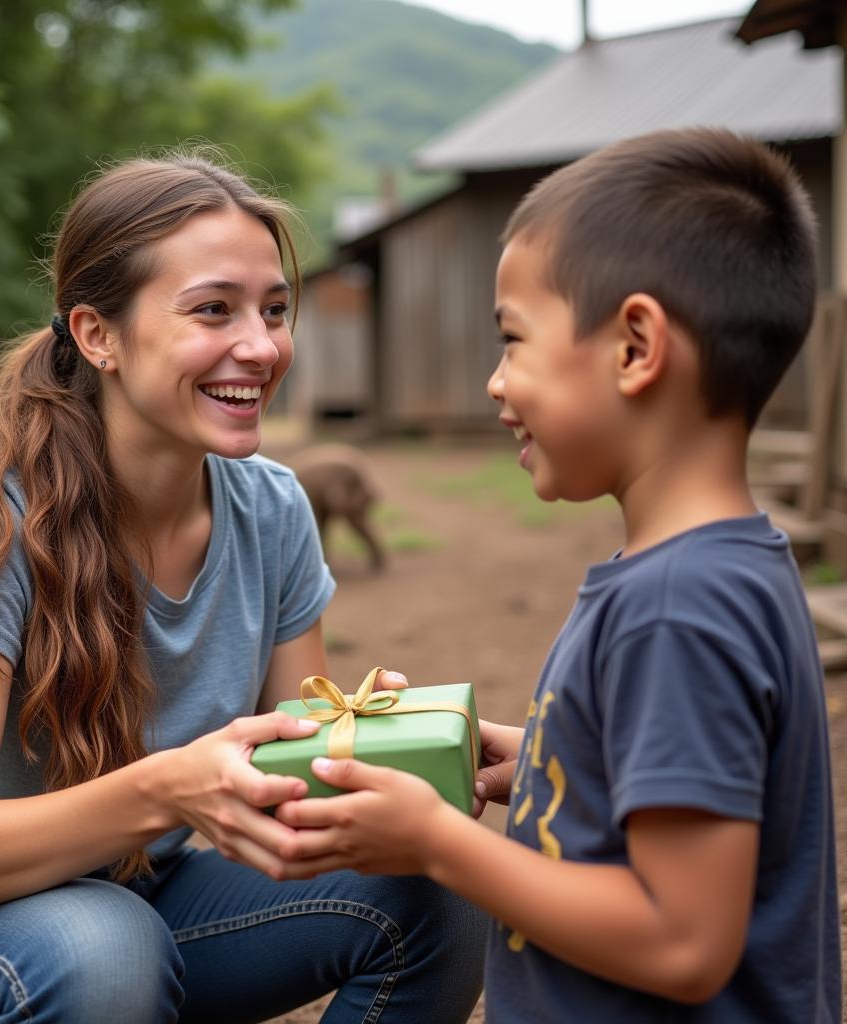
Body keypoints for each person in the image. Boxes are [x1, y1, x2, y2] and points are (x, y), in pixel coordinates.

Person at [0, 154, 486, 1024]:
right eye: (214, 309)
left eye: (275, 310)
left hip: (140, 890)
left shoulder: (274, 509)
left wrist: (388, 759)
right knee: (102, 950)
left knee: (440, 880)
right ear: (98, 335)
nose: (261, 344)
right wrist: (169, 789)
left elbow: (301, 783)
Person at [273, 127, 842, 1022]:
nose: (496, 384)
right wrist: (536, 758)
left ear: (634, 347)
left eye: (513, 341)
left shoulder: (675, 609)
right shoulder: (716, 568)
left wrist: (433, 843)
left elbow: (680, 940)